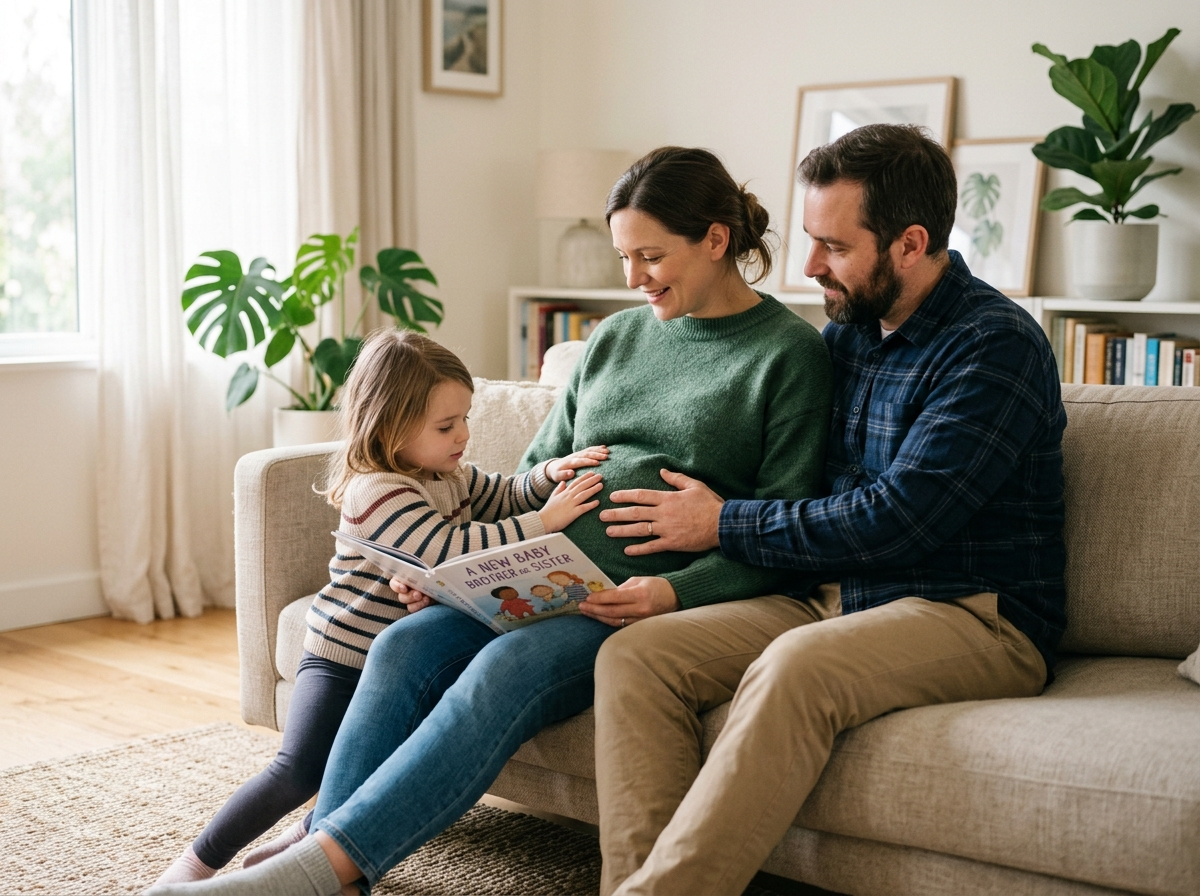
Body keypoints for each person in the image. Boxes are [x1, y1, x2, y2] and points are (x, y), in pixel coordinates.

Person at [146, 146, 833, 896]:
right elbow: (522, 477)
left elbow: (788, 530)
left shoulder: (789, 355)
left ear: (715, 238)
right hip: (534, 576)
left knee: (506, 668)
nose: (632, 279)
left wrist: (669, 592)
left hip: (633, 598)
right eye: (624, 256)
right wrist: (449, 576)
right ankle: (330, 867)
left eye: (650, 256)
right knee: (405, 644)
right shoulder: (615, 339)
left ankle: (315, 866)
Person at [591, 123, 1068, 896]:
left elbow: (900, 517)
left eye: (835, 248)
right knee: (641, 656)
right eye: (811, 240)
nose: (809, 266)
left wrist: (721, 521)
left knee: (794, 668)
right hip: (836, 595)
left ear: (910, 245)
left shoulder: (995, 345)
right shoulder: (848, 331)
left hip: (973, 611)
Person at [152, 329, 606, 885]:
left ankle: (312, 840)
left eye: (465, 418)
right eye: (446, 426)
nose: (463, 435)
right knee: (298, 770)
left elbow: (504, 494)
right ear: (390, 426)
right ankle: (196, 862)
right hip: (342, 655)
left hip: (396, 661)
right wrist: (546, 522)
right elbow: (449, 550)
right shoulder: (379, 491)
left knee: (368, 772)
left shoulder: (448, 473)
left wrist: (546, 477)